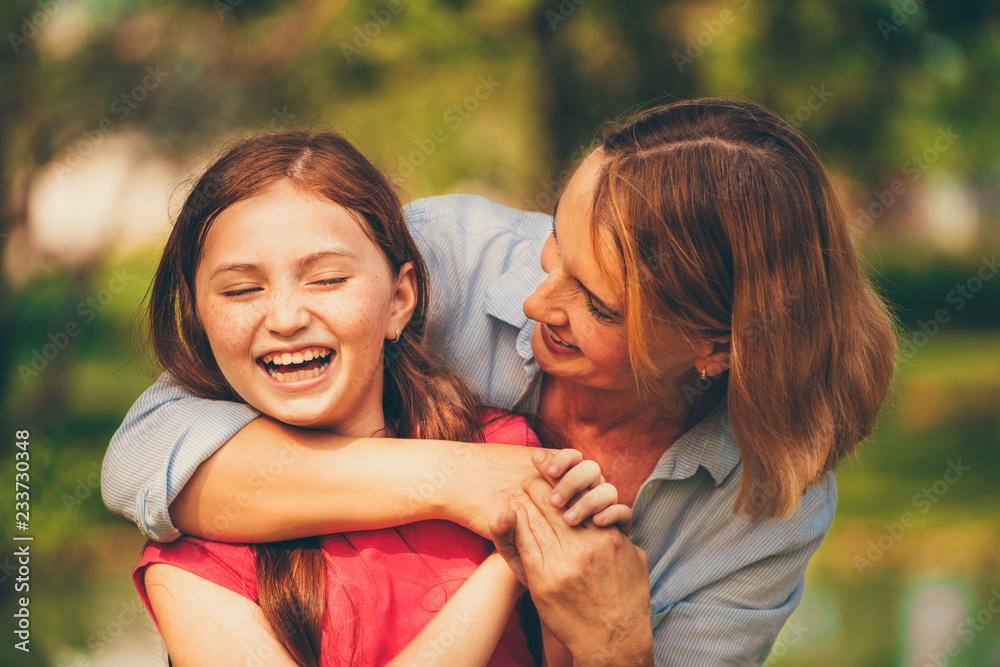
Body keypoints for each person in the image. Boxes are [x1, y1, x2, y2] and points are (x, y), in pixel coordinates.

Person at [104, 98, 897, 665]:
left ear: (713, 350)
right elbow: (146, 462)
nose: (535, 299)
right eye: (556, 245)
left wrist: (615, 644)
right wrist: (467, 480)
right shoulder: (450, 259)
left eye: (595, 303)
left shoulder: (765, 505)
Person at [128, 131, 618, 666]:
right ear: (199, 319)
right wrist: (507, 572)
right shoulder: (190, 557)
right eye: (242, 290)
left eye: (328, 279)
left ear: (399, 300)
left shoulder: (509, 450)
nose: (286, 318)